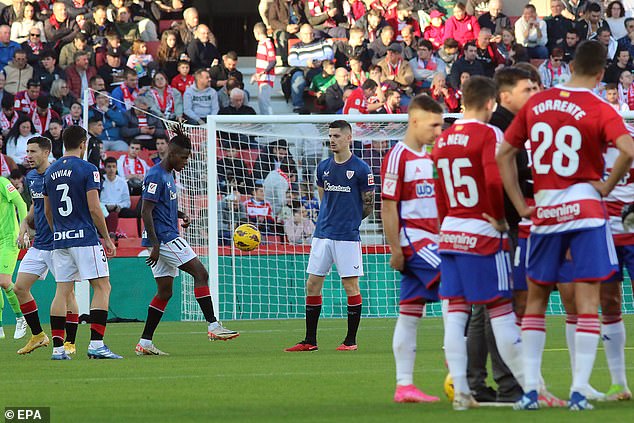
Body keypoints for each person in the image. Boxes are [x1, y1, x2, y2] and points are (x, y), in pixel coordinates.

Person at [497, 40, 634, 410]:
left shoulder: (537, 103)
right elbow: (629, 149)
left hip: (544, 213)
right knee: (588, 301)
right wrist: (605, 185)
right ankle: (578, 391)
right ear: (601, 72)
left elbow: (504, 153)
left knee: (536, 300)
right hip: (586, 213)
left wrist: (518, 204)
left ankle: (529, 393)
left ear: (570, 66)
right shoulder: (599, 106)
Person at [432, 76, 525, 411]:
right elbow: (493, 178)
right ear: (490, 103)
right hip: (482, 233)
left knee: (456, 316)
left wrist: (446, 225)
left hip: (451, 233)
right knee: (501, 311)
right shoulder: (489, 133)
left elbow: (440, 191)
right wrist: (498, 217)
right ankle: (528, 389)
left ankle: (462, 393)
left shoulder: (442, 139)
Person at [136, 126, 239, 355]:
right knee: (201, 274)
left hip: (164, 236)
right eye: (183, 158)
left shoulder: (168, 175)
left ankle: (144, 342)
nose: (185, 162)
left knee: (165, 292)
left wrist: (180, 214)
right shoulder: (155, 174)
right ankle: (213, 325)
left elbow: (161, 206)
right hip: (164, 239)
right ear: (171, 154)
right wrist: (154, 245)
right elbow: (145, 211)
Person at [285, 120, 374, 352]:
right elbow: (324, 199)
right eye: (330, 136)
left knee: (350, 286)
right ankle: (310, 341)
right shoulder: (323, 167)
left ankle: (350, 341)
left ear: (348, 138)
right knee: (312, 284)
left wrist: (350, 220)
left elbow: (369, 206)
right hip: (322, 234)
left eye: (336, 136)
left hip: (346, 236)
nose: (332, 140)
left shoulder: (362, 169)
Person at [379, 94, 443, 403]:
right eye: (434, 125)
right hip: (416, 242)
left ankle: (404, 385)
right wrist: (395, 248)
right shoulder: (398, 156)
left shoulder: (431, 157)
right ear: (415, 121)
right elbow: (388, 206)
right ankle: (458, 365)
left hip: (433, 239)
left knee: (410, 313)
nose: (438, 132)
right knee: (457, 285)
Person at [43, 125, 120, 360]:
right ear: (84, 143)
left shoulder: (50, 171)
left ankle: (58, 349)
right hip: (84, 239)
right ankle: (96, 345)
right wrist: (107, 238)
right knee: (102, 286)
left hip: (60, 239)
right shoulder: (88, 168)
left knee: (62, 291)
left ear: (63, 143)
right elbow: (95, 207)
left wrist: (59, 233)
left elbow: (48, 211)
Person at [14, 136, 80, 355]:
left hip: (58, 245)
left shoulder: (58, 175)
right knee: (20, 288)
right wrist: (24, 223)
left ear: (46, 153)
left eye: (33, 152)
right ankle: (38, 336)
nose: (28, 156)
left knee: (67, 294)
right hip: (39, 243)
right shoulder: (32, 177)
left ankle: (70, 342)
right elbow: (36, 204)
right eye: (27, 151)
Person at [0, 170, 28, 340]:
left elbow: (22, 204)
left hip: (9, 238)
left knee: (3, 281)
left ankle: (21, 317)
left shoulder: (2, 182)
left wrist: (23, 232)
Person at [101, 156, 133, 234]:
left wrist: (119, 206)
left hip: (118, 208)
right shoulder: (100, 181)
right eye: (109, 167)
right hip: (103, 208)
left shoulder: (122, 182)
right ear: (104, 168)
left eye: (113, 167)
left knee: (131, 213)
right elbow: (96, 200)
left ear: (116, 168)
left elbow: (127, 202)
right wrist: (105, 206)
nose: (111, 169)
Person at [252, 22, 276, 116]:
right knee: (262, 102)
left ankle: (270, 127)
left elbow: (273, 61)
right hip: (262, 78)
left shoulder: (267, 43)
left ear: (256, 33)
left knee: (265, 102)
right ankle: (266, 125)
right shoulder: (262, 43)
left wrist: (262, 72)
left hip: (267, 78)